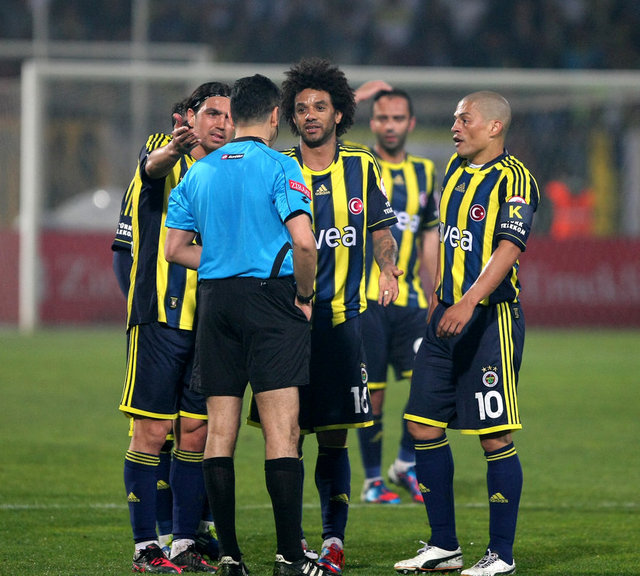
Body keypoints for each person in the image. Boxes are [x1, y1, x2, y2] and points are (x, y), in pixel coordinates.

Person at [164, 73, 332, 576]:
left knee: (220, 432)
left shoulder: (199, 172)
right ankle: (289, 557)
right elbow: (304, 242)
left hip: (215, 302)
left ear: (233, 116)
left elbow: (174, 249)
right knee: (282, 432)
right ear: (276, 116)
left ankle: (231, 557)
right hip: (271, 301)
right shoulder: (282, 166)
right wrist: (304, 296)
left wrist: (223, 259)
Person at [394, 91, 539, 576]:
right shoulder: (454, 170)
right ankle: (444, 546)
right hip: (445, 317)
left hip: (489, 321)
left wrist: (468, 301)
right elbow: (444, 237)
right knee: (421, 425)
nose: (455, 126)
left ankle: (501, 554)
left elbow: (508, 248)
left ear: (494, 127)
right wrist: (438, 296)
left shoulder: (515, 179)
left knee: (494, 436)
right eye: (455, 118)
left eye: (464, 118)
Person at [279, 58, 401, 575]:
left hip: (343, 322)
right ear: (291, 116)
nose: (310, 114)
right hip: (286, 326)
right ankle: (292, 542)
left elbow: (380, 230)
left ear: (338, 113)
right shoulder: (279, 166)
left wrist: (388, 269)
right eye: (301, 107)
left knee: (334, 435)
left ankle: (333, 540)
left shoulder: (362, 165)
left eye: (319, 106)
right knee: (285, 437)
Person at [118, 81, 234, 574]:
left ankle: (184, 541)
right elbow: (152, 167)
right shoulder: (163, 150)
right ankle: (146, 546)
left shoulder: (234, 169)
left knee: (195, 432)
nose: (221, 124)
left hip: (211, 323)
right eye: (212, 113)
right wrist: (173, 149)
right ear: (189, 117)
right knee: (151, 429)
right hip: (161, 319)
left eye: (228, 116)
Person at [353, 86, 440, 506]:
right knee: (374, 394)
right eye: (383, 118)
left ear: (411, 123)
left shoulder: (425, 171)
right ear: (372, 122)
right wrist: (353, 96)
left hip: (411, 303)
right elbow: (322, 125)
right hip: (366, 301)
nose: (390, 126)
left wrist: (435, 293)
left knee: (429, 383)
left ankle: (405, 463)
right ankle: (373, 480)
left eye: (398, 118)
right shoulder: (357, 164)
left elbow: (429, 237)